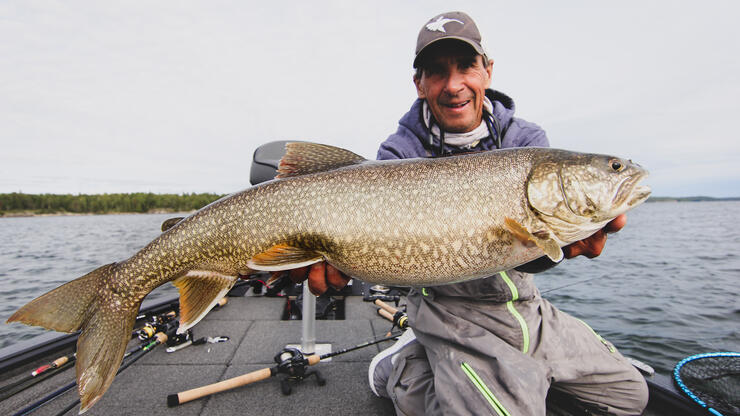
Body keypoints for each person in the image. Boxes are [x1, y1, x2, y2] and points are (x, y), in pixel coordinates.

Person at [289, 11, 648, 416]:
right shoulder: (396, 155)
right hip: (447, 314)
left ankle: (503, 373)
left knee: (631, 397)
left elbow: (530, 256)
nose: (454, 84)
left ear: (487, 71)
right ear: (419, 84)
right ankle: (404, 369)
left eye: (466, 67)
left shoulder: (527, 142)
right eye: (437, 72)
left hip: (527, 309)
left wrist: (565, 244)